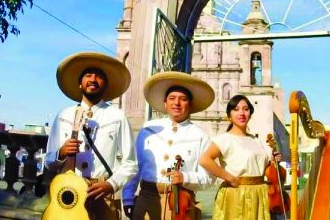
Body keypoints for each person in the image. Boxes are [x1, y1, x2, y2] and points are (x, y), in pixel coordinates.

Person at [45, 52, 138, 220]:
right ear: (80, 84)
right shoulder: (63, 116)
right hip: (69, 194)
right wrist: (61, 153)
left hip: (103, 194)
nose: (93, 79)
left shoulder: (117, 117)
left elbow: (131, 163)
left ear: (106, 85)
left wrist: (112, 184)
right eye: (88, 75)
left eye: (99, 76)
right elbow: (48, 161)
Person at [122, 71, 216, 220]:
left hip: (181, 203)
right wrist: (128, 197)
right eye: (172, 98)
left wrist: (185, 177)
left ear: (190, 104)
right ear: (165, 103)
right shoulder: (148, 129)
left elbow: (209, 178)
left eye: (183, 99)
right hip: (147, 198)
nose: (176, 103)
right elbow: (135, 166)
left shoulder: (201, 135)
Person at [198, 95, 273, 220]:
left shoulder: (256, 140)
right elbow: (205, 160)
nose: (242, 113)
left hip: (260, 193)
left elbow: (262, 168)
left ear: (250, 113)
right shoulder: (224, 139)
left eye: (245, 109)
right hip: (237, 193)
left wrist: (274, 163)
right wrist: (230, 178)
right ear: (229, 115)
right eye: (236, 109)